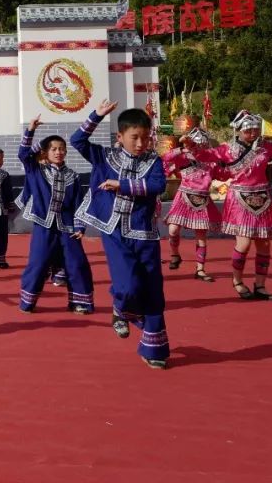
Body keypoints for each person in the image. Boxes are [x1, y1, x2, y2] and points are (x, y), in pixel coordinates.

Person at [71, 100, 169, 369]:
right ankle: (120, 308)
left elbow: (158, 185)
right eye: (134, 137)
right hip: (114, 231)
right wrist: (96, 116)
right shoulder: (104, 157)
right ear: (120, 137)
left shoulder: (153, 161)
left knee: (152, 290)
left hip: (145, 232)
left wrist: (122, 185)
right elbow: (77, 140)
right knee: (126, 286)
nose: (140, 143)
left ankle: (154, 349)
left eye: (145, 138)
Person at [191, 110, 272, 301]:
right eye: (248, 130)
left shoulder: (265, 147)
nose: (253, 133)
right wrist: (191, 145)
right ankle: (237, 280)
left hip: (262, 198)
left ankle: (260, 285)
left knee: (264, 244)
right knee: (243, 244)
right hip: (240, 200)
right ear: (238, 130)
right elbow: (204, 156)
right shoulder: (227, 149)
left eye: (255, 129)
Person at [17, 116, 93, 314]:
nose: (59, 152)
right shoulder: (36, 171)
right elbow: (24, 154)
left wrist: (80, 227)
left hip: (68, 227)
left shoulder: (73, 176)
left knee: (77, 263)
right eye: (54, 149)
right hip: (44, 225)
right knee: (38, 263)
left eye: (62, 149)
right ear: (46, 152)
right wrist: (31, 130)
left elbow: (78, 203)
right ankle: (28, 302)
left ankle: (80, 303)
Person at [161, 127, 230, 282]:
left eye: (201, 144)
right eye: (195, 143)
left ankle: (200, 269)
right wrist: (181, 148)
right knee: (173, 230)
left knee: (201, 237)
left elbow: (224, 175)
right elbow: (165, 158)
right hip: (184, 196)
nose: (198, 147)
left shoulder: (211, 161)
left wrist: (230, 164)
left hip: (202, 199)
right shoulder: (183, 157)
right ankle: (175, 254)